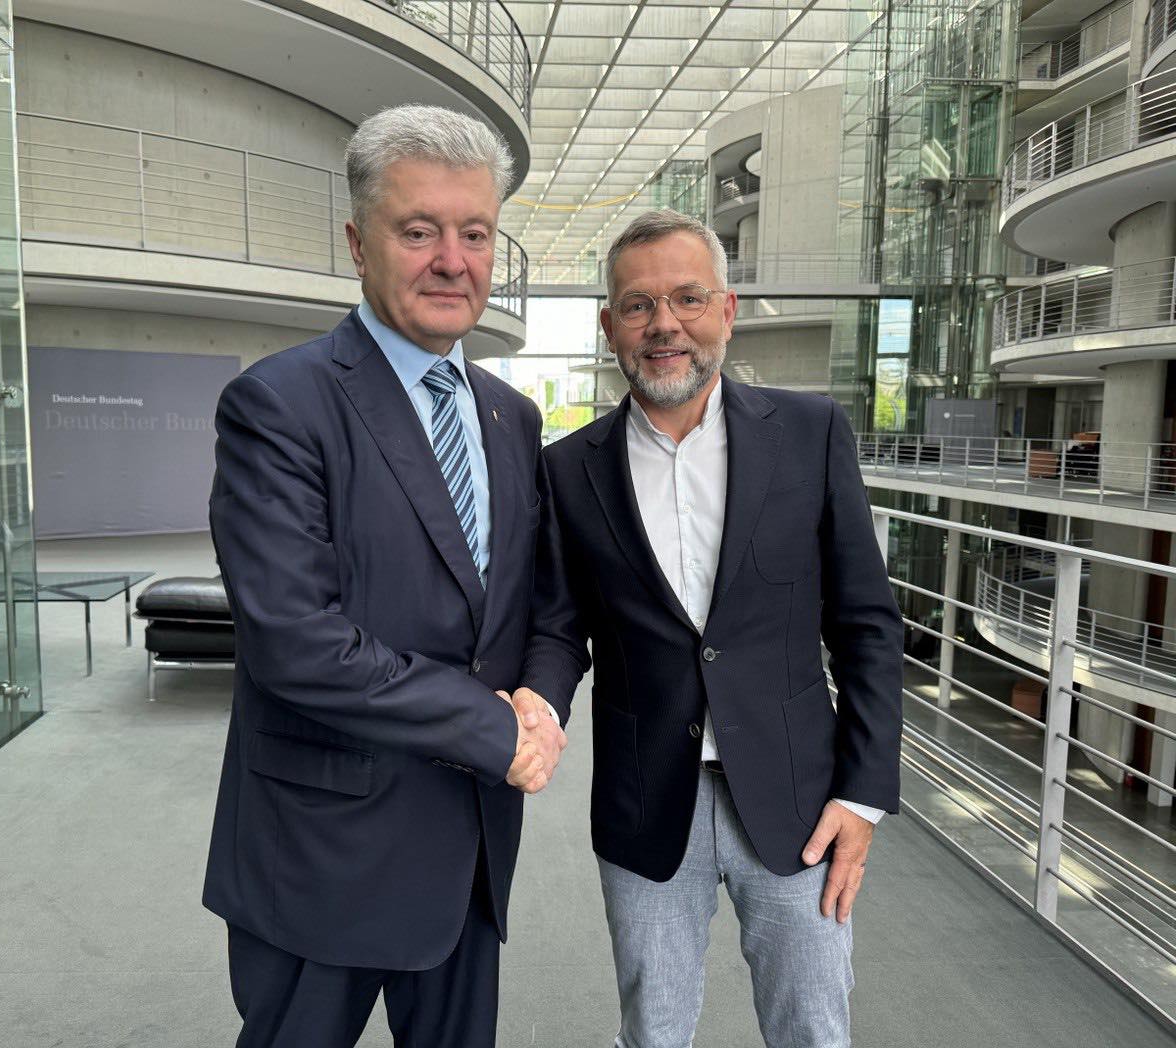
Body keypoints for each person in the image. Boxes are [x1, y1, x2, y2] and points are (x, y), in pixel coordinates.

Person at [202, 104, 566, 1048]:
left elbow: (543, 605)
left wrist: (542, 700)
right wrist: (492, 728)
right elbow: (294, 640)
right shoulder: (278, 404)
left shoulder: (511, 417)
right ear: (359, 244)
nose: (453, 260)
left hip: (472, 843)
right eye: (418, 232)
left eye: (475, 234)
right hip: (324, 846)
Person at [518, 209, 904, 1048]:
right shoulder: (567, 469)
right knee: (652, 1033)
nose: (664, 324)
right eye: (638, 304)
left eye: (687, 298)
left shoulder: (811, 434)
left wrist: (863, 796)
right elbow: (559, 627)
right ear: (609, 326)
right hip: (645, 796)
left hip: (801, 799)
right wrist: (537, 706)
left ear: (726, 311)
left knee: (812, 1030)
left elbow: (866, 626)